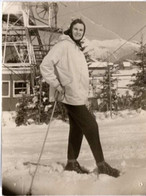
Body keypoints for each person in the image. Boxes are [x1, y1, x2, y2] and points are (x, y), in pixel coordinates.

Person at [40, 18, 120, 177]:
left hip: (76, 94)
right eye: (75, 29)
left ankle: (71, 163)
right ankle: (101, 165)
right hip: (69, 94)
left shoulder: (75, 47)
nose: (78, 32)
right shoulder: (63, 45)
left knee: (77, 128)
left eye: (81, 30)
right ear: (70, 29)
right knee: (91, 125)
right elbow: (45, 66)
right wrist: (56, 84)